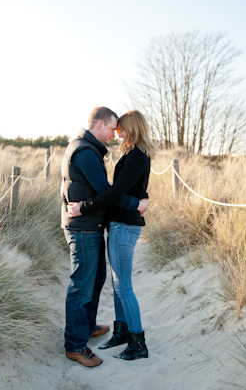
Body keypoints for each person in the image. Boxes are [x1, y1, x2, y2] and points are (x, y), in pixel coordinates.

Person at [61, 107, 148, 368]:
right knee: (82, 286)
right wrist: (137, 203)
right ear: (99, 125)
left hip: (92, 225)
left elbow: (109, 191)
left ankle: (86, 327)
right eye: (112, 128)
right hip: (84, 227)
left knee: (95, 280)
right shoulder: (86, 152)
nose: (114, 134)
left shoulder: (89, 149)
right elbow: (106, 191)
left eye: (118, 130)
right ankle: (75, 345)